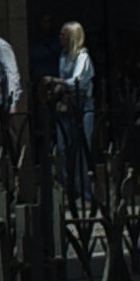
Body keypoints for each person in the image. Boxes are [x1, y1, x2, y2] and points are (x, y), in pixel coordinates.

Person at [54, 18, 95, 195]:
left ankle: (83, 190)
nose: (60, 37)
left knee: (81, 149)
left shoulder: (83, 57)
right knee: (63, 148)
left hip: (82, 105)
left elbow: (76, 81)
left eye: (63, 34)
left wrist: (58, 81)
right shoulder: (63, 57)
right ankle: (68, 187)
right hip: (67, 104)